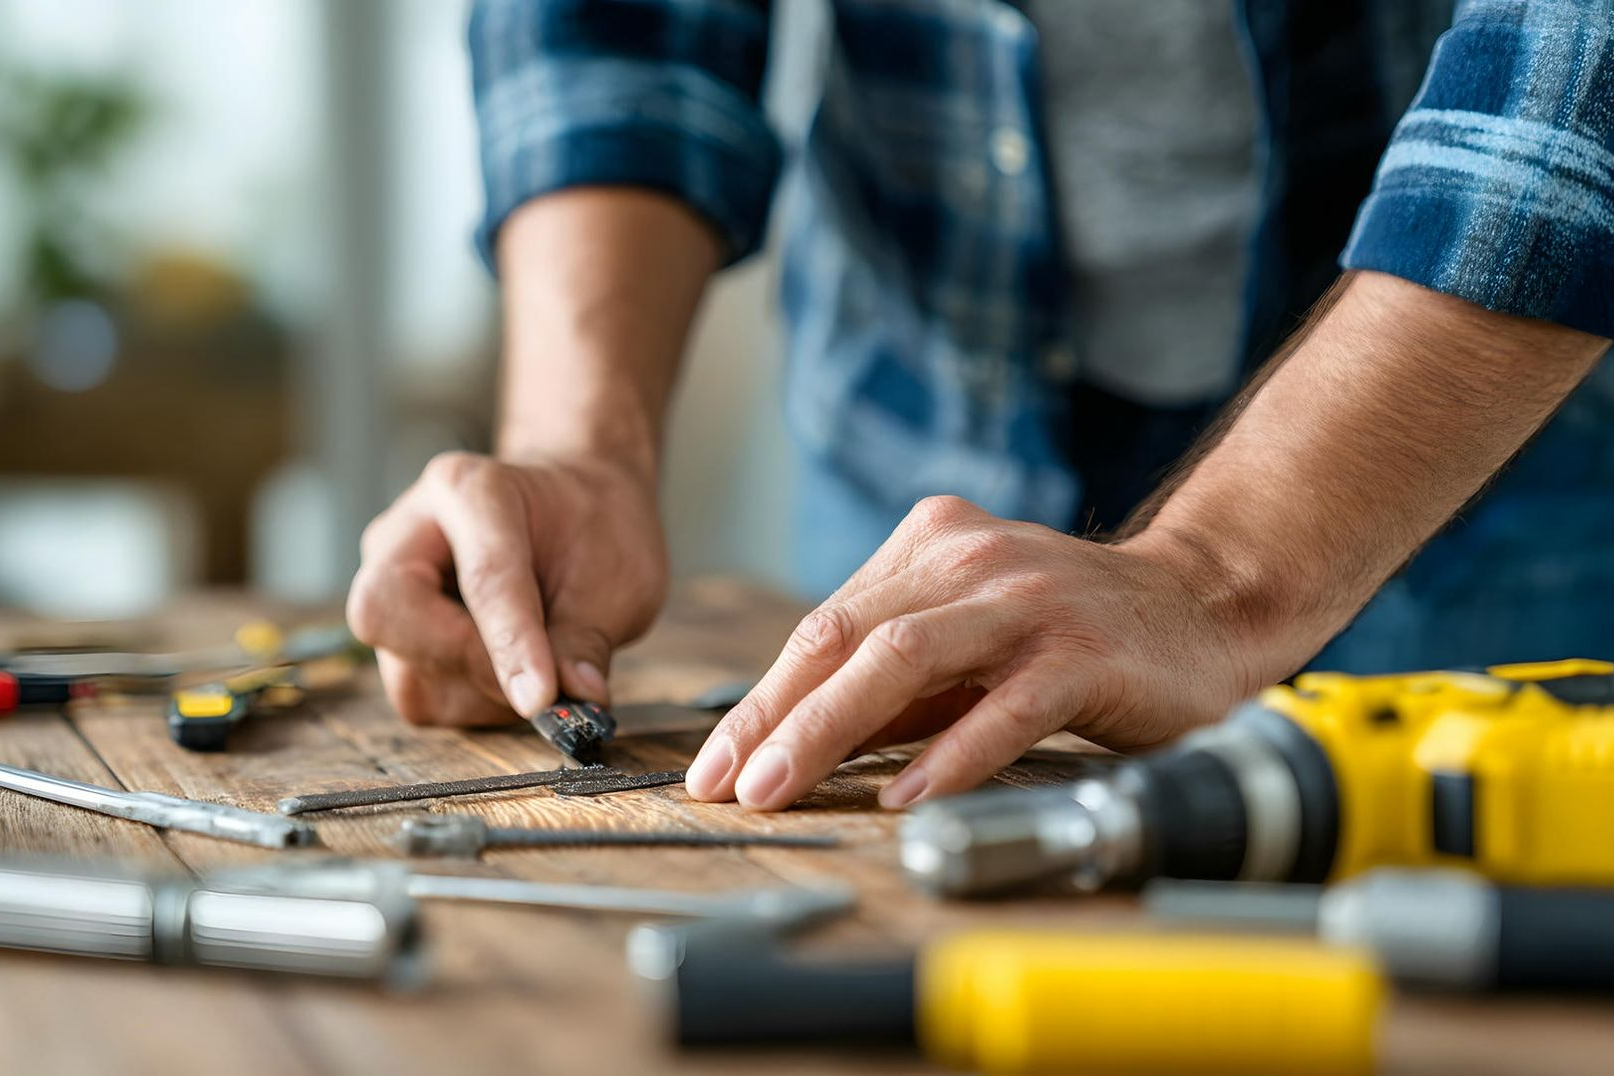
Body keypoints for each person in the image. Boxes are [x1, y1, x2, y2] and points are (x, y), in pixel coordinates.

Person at [346, 0, 1613, 813]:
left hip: (1487, 448)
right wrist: (582, 444)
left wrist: (1220, 573)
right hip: (916, 435)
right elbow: (617, 30)